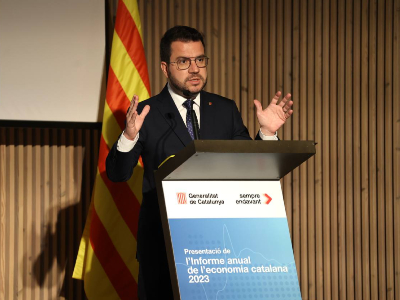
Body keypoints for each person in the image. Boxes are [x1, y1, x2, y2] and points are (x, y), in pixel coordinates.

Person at [106, 25, 293, 300]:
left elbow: (250, 168)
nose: (195, 69)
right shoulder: (147, 113)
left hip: (222, 251)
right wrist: (129, 135)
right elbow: (117, 174)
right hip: (164, 248)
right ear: (165, 67)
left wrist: (266, 134)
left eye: (200, 60)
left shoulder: (224, 109)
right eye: (183, 61)